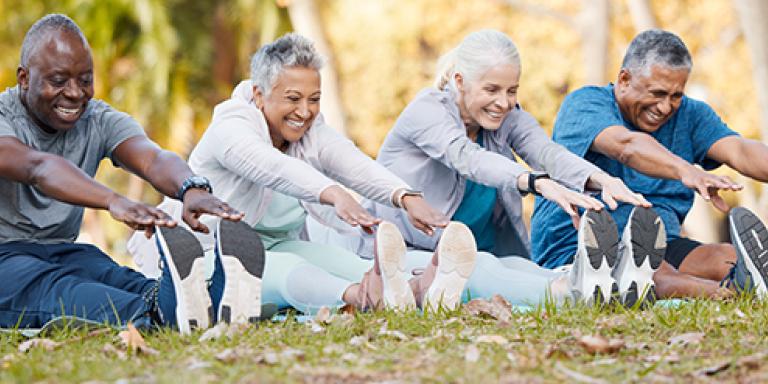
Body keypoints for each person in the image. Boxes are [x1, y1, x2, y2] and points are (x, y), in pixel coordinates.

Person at [128, 33, 478, 314]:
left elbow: (349, 160)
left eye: (314, 99)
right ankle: (365, 296)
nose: (305, 111)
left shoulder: (309, 129)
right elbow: (271, 166)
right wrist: (333, 193)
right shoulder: (230, 126)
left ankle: (419, 289)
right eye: (293, 98)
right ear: (259, 94)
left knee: (339, 260)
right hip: (204, 256)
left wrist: (405, 196)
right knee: (287, 271)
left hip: (277, 243)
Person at [309, 29, 659, 307]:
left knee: (518, 268)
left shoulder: (505, 116)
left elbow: (545, 151)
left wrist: (601, 179)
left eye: (511, 90)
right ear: (459, 81)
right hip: (409, 253)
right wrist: (534, 183)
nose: (504, 102)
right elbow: (467, 158)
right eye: (491, 89)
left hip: (482, 249)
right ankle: (576, 291)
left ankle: (609, 281)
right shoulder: (427, 111)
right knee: (481, 270)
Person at [0, 14, 254, 334]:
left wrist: (192, 188)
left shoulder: (98, 118)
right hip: (4, 258)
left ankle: (197, 301)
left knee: (107, 272)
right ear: (24, 78)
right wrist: (113, 200)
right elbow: (38, 166)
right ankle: (159, 313)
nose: (76, 93)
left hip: (62, 251)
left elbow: (152, 158)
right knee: (58, 287)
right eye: (59, 80)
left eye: (85, 79)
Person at [531, 29, 768, 299]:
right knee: (656, 273)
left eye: (676, 95)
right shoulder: (585, 104)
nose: (666, 107)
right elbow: (626, 146)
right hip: (584, 248)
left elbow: (738, 149)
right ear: (624, 80)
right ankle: (733, 294)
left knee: (726, 257)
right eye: (657, 93)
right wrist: (685, 170)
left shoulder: (691, 115)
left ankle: (748, 282)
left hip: (661, 242)